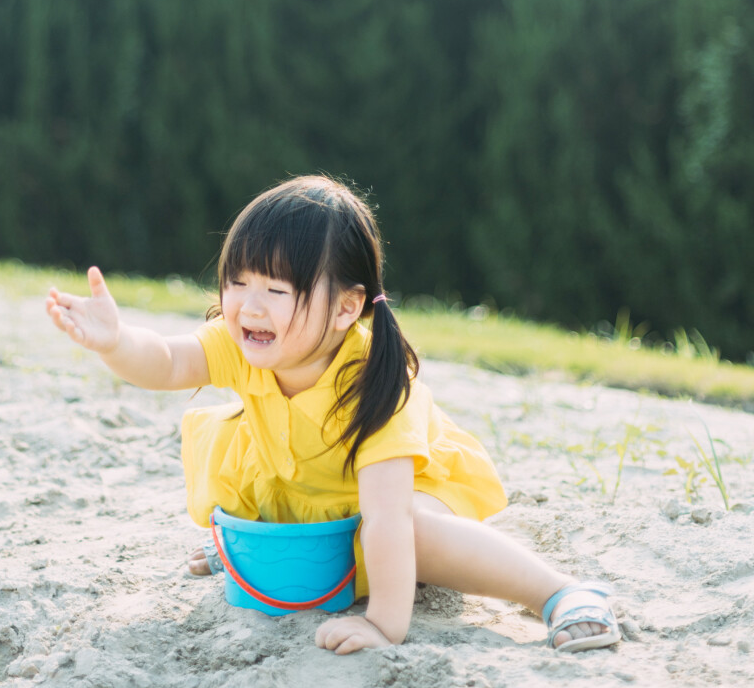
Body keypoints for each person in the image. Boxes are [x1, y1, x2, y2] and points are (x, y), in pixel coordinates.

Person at [46, 176, 619, 656]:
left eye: (275, 288)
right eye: (238, 281)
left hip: (401, 494)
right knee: (238, 458)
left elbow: (388, 519)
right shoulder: (242, 340)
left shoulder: (371, 378)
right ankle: (244, 553)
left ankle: (558, 592)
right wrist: (115, 342)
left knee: (413, 538)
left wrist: (384, 624)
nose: (248, 304)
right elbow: (169, 361)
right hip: (306, 487)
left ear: (347, 306)